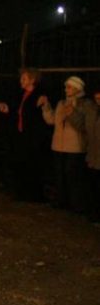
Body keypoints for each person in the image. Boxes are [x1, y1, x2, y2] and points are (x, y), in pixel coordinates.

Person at [41, 75, 90, 212]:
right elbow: (52, 120)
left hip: (75, 147)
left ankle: (76, 204)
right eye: (65, 87)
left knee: (73, 176)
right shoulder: (61, 103)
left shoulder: (84, 104)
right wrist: (46, 107)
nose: (66, 89)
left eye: (69, 87)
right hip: (58, 146)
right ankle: (62, 201)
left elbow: (85, 126)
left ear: (77, 88)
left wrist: (72, 114)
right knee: (60, 175)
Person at [7, 68, 51, 202]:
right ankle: (22, 192)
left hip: (33, 136)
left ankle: (34, 194)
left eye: (24, 78)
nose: (21, 81)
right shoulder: (21, 94)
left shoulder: (39, 95)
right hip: (22, 134)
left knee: (33, 165)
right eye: (21, 78)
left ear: (32, 80)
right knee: (22, 164)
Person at [83, 86, 100, 224]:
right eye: (97, 98)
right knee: (93, 186)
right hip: (93, 154)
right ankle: (94, 213)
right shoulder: (92, 112)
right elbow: (85, 129)